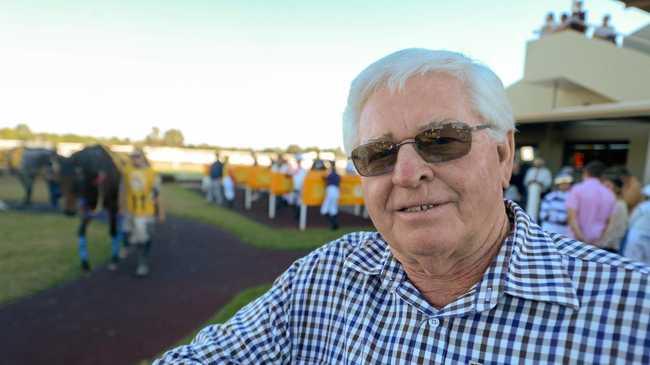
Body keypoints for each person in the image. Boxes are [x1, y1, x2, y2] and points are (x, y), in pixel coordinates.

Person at [156, 49, 650, 364]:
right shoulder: (322, 279)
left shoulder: (634, 314)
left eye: (441, 141)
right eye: (378, 153)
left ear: (503, 155)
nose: (408, 173)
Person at [120, 150, 164, 276]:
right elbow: (123, 189)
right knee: (126, 232)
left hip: (146, 212)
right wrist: (121, 205)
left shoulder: (151, 173)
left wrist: (160, 212)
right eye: (132, 157)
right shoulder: (127, 171)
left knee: (144, 239)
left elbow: (157, 194)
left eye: (137, 157)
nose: (134, 159)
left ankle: (142, 264)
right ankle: (128, 245)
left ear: (143, 158)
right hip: (130, 210)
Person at [566, 160, 616, 244]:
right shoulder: (610, 194)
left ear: (586, 172)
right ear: (602, 176)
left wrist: (582, 239)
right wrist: (599, 241)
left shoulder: (577, 189)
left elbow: (572, 218)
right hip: (596, 243)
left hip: (575, 241)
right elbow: (610, 223)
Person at [596, 168, 628, 253]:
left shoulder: (620, 205)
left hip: (608, 247)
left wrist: (600, 243)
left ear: (618, 189)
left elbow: (615, 230)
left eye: (608, 186)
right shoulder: (608, 203)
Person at [624, 185, 650, 264]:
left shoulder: (642, 206)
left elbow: (631, 220)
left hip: (636, 234)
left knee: (632, 261)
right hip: (648, 236)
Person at [524, 157, 552, 222]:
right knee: (529, 207)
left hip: (542, 193)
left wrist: (539, 183)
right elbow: (526, 181)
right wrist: (531, 182)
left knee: (539, 208)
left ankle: (536, 221)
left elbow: (548, 183)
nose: (538, 164)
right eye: (536, 162)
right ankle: (528, 219)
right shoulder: (530, 170)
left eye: (539, 162)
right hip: (531, 192)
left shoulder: (546, 171)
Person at [320, 160, 340, 230]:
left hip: (331, 191)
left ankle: (334, 224)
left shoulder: (332, 173)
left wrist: (324, 177)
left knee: (325, 210)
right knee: (333, 209)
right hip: (335, 191)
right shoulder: (336, 174)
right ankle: (335, 225)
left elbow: (325, 178)